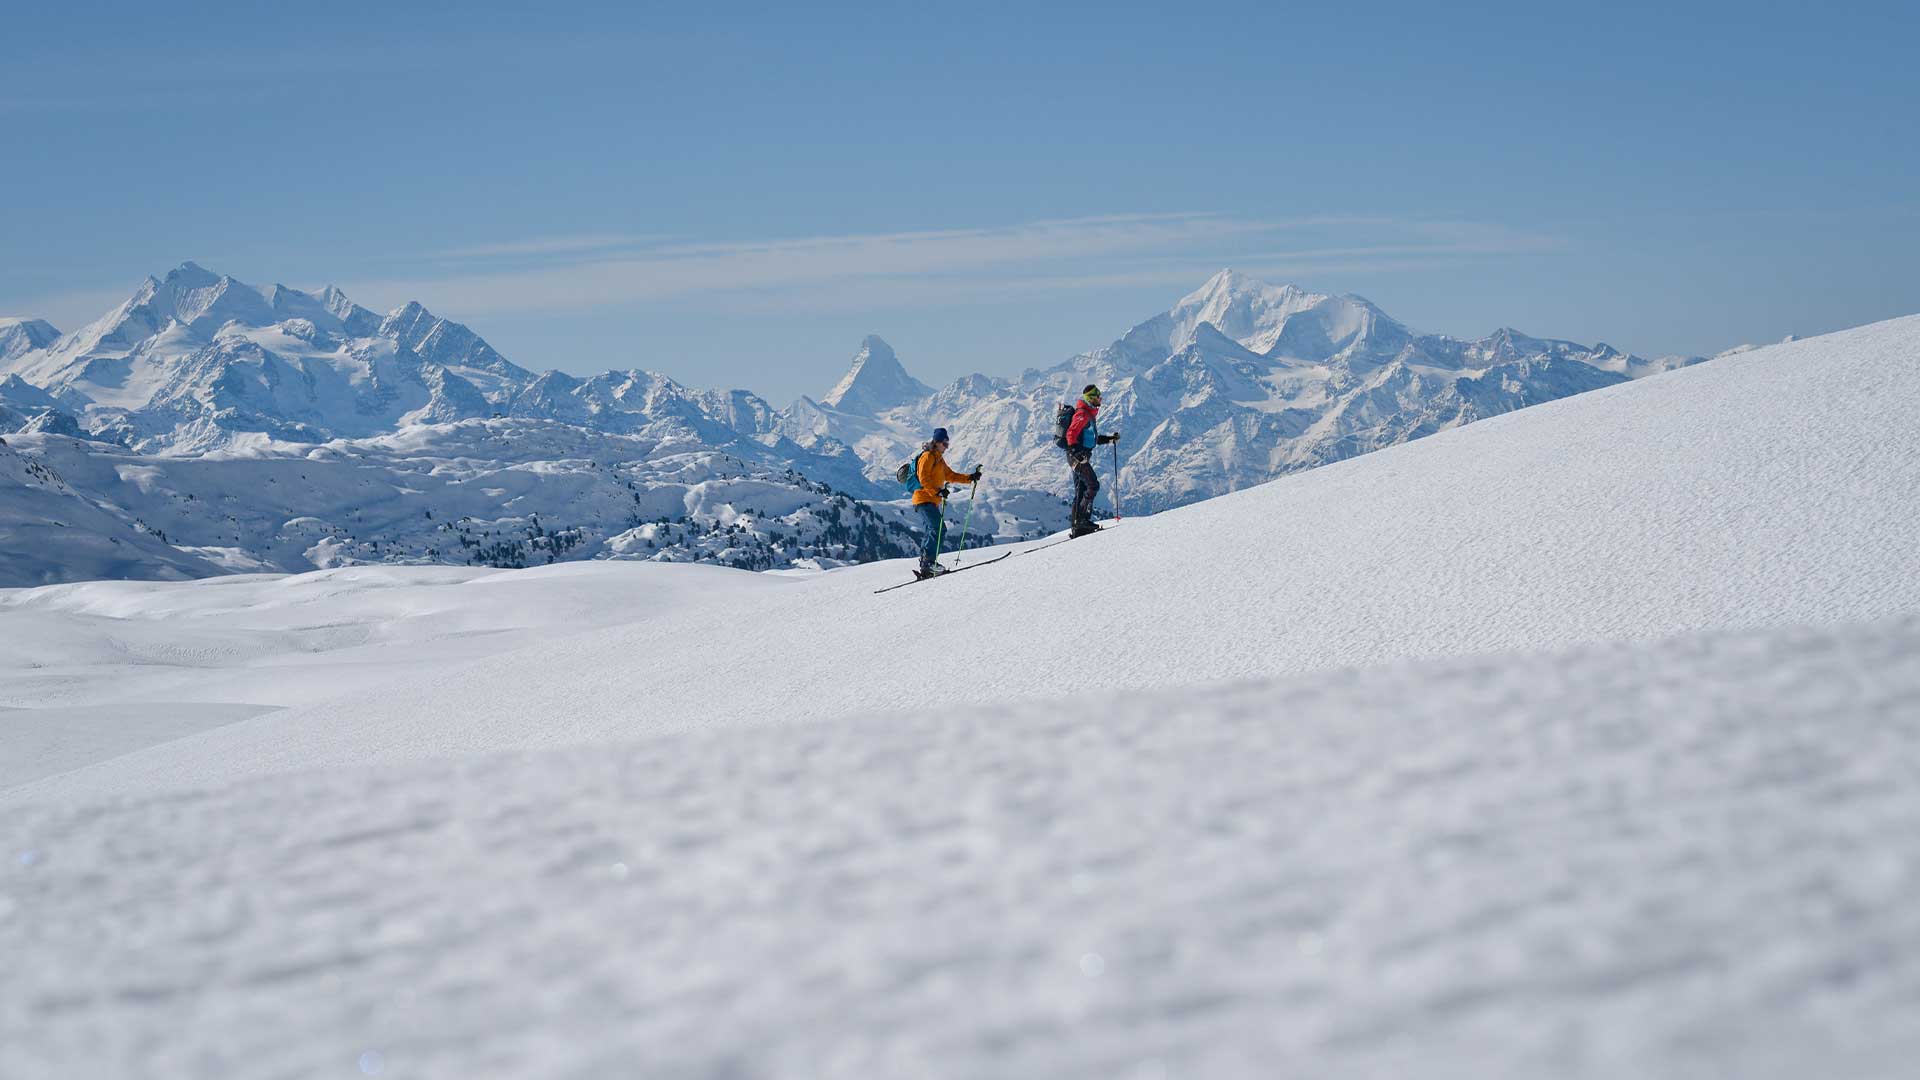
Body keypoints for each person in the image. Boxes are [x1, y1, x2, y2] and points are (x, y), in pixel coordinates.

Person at [912, 427, 981, 577]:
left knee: (933, 529)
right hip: (923, 499)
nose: (946, 447)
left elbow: (950, 475)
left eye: (948, 444)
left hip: (931, 500)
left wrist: (970, 478)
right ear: (937, 442)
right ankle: (928, 563)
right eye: (945, 443)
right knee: (938, 528)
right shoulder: (928, 456)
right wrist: (937, 491)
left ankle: (927, 563)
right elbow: (923, 477)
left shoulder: (939, 459)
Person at [1064, 384, 1120, 537]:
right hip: (1078, 458)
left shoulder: (1088, 414)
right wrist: (1077, 453)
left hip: (1079, 456)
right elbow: (1071, 434)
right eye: (1097, 397)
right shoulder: (1082, 414)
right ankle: (1082, 521)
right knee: (1093, 485)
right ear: (1090, 398)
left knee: (1081, 490)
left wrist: (1109, 439)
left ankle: (1078, 527)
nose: (1100, 399)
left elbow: (1091, 439)